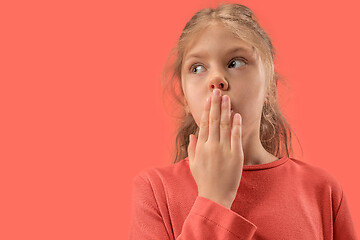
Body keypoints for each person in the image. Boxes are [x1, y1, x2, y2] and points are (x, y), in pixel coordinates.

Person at [129, 3, 358, 239]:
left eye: (235, 62)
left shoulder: (322, 190)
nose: (217, 79)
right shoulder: (154, 191)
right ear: (185, 96)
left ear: (269, 84)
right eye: (197, 68)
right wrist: (213, 199)